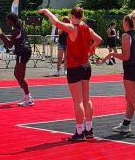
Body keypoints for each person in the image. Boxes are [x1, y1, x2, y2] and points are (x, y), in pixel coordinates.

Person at [39, 7, 101, 141]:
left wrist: (47, 12)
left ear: (72, 16)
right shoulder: (88, 29)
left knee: (77, 101)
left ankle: (79, 132)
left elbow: (56, 23)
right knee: (87, 99)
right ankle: (89, 129)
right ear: (82, 16)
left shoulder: (73, 28)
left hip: (75, 67)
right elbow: (99, 40)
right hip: (86, 66)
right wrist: (90, 49)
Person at [0, 12, 34, 106]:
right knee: (17, 74)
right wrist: (1, 35)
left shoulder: (15, 30)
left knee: (19, 76)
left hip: (23, 52)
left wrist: (1, 35)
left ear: (11, 21)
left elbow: (10, 45)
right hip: (24, 52)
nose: (6, 22)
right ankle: (26, 95)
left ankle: (29, 98)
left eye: (7, 20)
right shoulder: (18, 29)